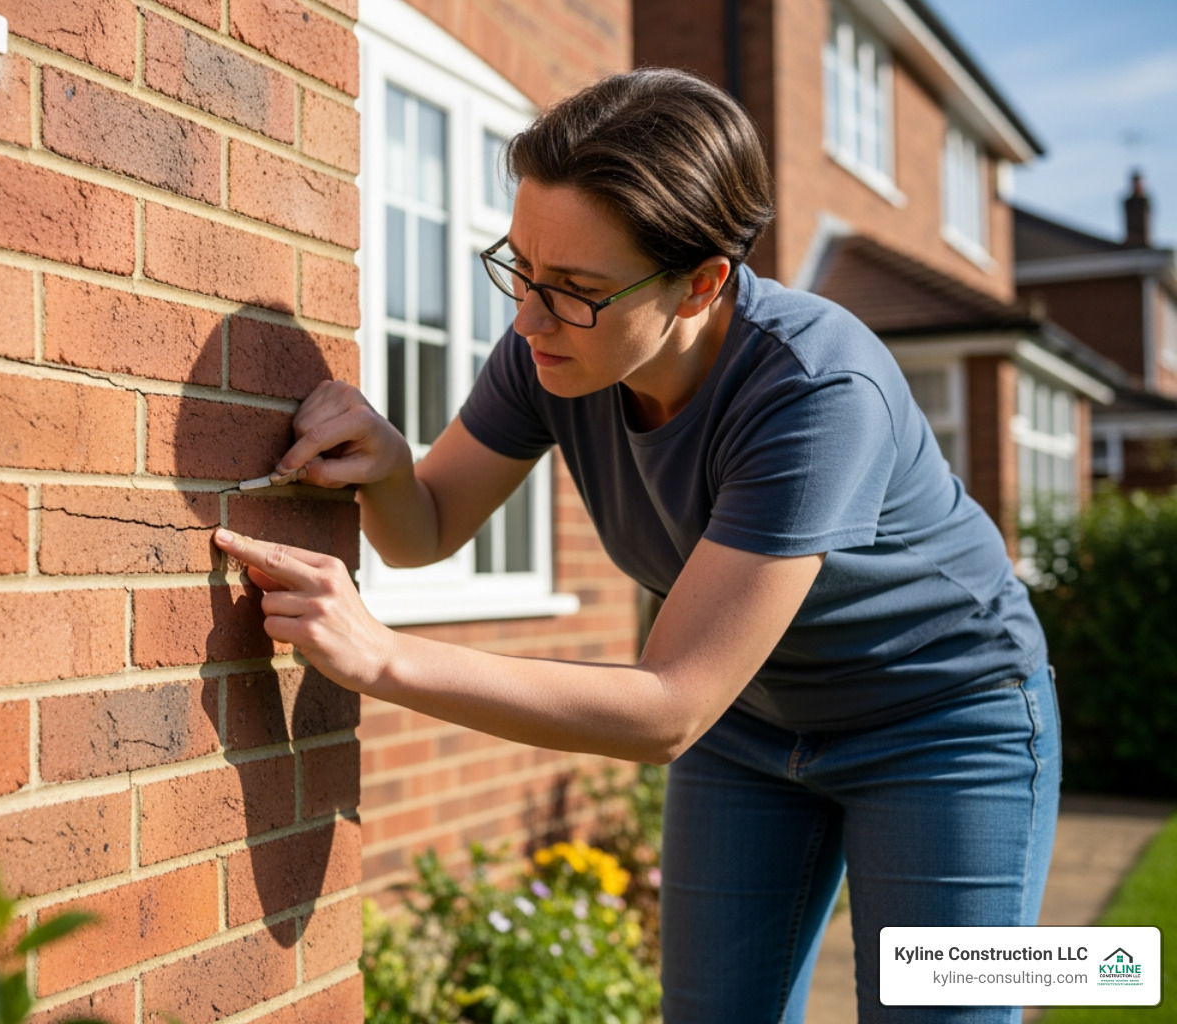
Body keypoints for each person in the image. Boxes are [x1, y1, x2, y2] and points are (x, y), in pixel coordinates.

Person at [212, 67, 1060, 1024]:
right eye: (521, 269)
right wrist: (390, 468)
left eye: (575, 289)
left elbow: (669, 710)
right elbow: (427, 532)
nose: (527, 315)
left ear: (702, 283)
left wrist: (383, 657)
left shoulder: (818, 392)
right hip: (753, 724)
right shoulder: (553, 349)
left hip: (944, 722)